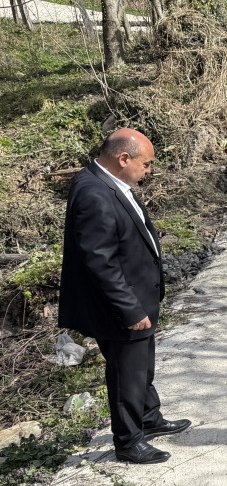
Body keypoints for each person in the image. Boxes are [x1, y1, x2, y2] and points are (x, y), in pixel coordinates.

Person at [58, 129, 191, 465]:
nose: (149, 170)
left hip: (139, 296)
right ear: (123, 158)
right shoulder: (94, 193)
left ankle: (149, 417)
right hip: (120, 306)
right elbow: (99, 261)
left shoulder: (110, 183)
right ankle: (129, 441)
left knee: (142, 365)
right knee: (126, 374)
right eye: (146, 164)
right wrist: (130, 309)